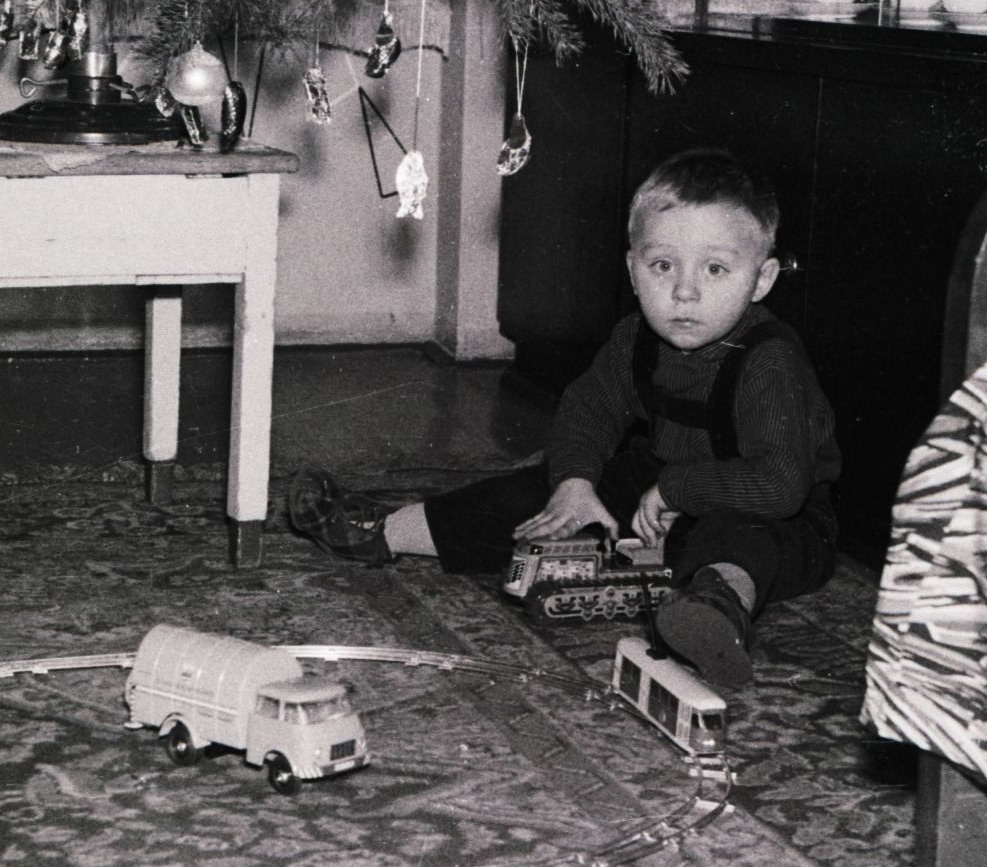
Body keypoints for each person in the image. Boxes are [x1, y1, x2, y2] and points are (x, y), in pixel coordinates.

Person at [289, 148, 840, 689]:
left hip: (772, 511)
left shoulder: (770, 362)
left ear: (762, 280)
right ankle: (384, 530)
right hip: (661, 489)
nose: (684, 291)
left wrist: (676, 490)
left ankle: (716, 608)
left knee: (740, 535)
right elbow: (588, 408)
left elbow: (780, 484)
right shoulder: (636, 338)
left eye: (715, 268)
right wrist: (575, 482)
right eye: (663, 265)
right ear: (632, 268)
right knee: (537, 493)